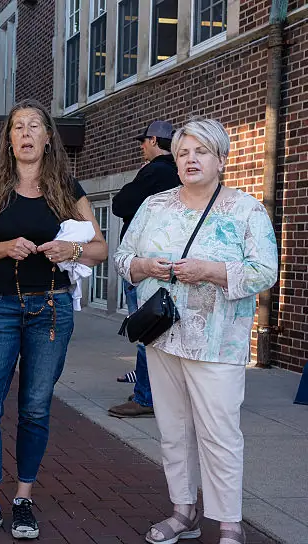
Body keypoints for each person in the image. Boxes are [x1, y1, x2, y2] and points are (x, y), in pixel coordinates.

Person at [0, 99, 107, 541]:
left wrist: (70, 250)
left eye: (35, 126)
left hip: (51, 308)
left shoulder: (67, 187)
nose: (26, 133)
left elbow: (100, 248)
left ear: (48, 137)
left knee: (34, 407)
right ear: (8, 139)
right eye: (18, 127)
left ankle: (23, 499)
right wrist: (2, 247)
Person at [114, 118, 278, 544]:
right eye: (183, 151)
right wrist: (145, 264)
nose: (190, 159)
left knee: (219, 436)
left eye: (201, 152)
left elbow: (266, 271)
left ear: (221, 160)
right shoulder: (155, 205)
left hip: (217, 342)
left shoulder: (245, 210)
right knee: (173, 430)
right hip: (162, 338)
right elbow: (122, 258)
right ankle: (182, 511)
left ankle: (229, 526)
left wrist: (210, 271)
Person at [108, 120, 181, 418]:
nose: (141, 146)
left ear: (153, 141)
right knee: (169, 331)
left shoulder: (153, 172)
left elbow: (120, 204)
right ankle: (164, 395)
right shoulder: (181, 174)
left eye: (143, 141)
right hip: (174, 260)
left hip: (145, 262)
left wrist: (134, 183)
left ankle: (146, 398)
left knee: (146, 328)